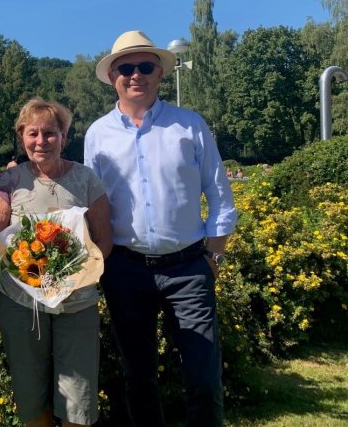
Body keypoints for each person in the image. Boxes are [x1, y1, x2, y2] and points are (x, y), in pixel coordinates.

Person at [83, 31, 237, 426]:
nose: (137, 75)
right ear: (114, 76)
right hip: (125, 269)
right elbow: (93, 206)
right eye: (127, 68)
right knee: (139, 377)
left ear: (160, 74)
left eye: (146, 66)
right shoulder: (98, 135)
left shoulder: (189, 125)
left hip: (188, 269)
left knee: (202, 376)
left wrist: (214, 254)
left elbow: (219, 193)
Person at [0, 98, 112, 427]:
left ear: (64, 137)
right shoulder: (8, 183)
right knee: (29, 392)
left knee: (78, 395)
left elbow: (104, 240)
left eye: (50, 133)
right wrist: (32, 274)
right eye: (33, 134)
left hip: (77, 301)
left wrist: (71, 274)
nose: (41, 141)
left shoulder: (86, 180)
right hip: (22, 302)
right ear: (22, 137)